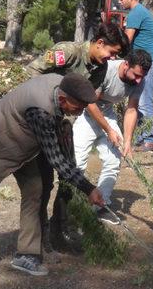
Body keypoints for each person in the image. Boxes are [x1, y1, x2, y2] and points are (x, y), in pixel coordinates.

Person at [0, 73, 104, 279]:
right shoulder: (40, 112)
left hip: (22, 144)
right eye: (78, 108)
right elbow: (58, 161)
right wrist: (89, 189)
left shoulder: (62, 83)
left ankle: (26, 254)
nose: (80, 113)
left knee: (35, 191)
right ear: (63, 100)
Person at [26, 23, 129, 252]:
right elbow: (32, 71)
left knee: (69, 175)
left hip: (63, 126)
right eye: (112, 52)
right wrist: (42, 104)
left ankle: (59, 230)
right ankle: (37, 236)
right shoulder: (68, 52)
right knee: (41, 183)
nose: (113, 58)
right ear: (100, 43)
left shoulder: (100, 68)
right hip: (39, 121)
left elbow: (88, 99)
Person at [73, 50, 152, 224]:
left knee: (114, 160)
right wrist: (109, 130)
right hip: (87, 114)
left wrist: (128, 141)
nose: (139, 80)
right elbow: (90, 103)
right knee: (77, 162)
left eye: (142, 76)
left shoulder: (140, 79)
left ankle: (100, 206)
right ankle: (73, 207)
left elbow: (131, 109)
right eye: (136, 75)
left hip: (107, 114)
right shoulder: (106, 70)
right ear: (125, 65)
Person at [117, 0, 153, 152]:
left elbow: (127, 39)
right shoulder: (139, 11)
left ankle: (150, 139)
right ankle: (142, 136)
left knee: (144, 100)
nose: (120, 2)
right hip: (143, 61)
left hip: (148, 62)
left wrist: (115, 54)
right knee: (139, 99)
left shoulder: (135, 13)